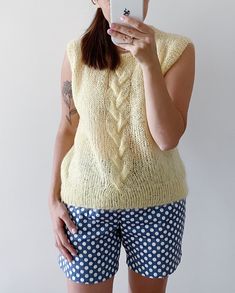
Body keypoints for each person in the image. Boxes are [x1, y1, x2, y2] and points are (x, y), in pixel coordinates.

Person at [48, 0, 195, 292]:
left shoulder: (177, 50)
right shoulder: (76, 53)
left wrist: (149, 63)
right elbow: (67, 129)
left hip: (156, 203)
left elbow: (167, 138)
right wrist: (53, 200)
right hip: (85, 206)